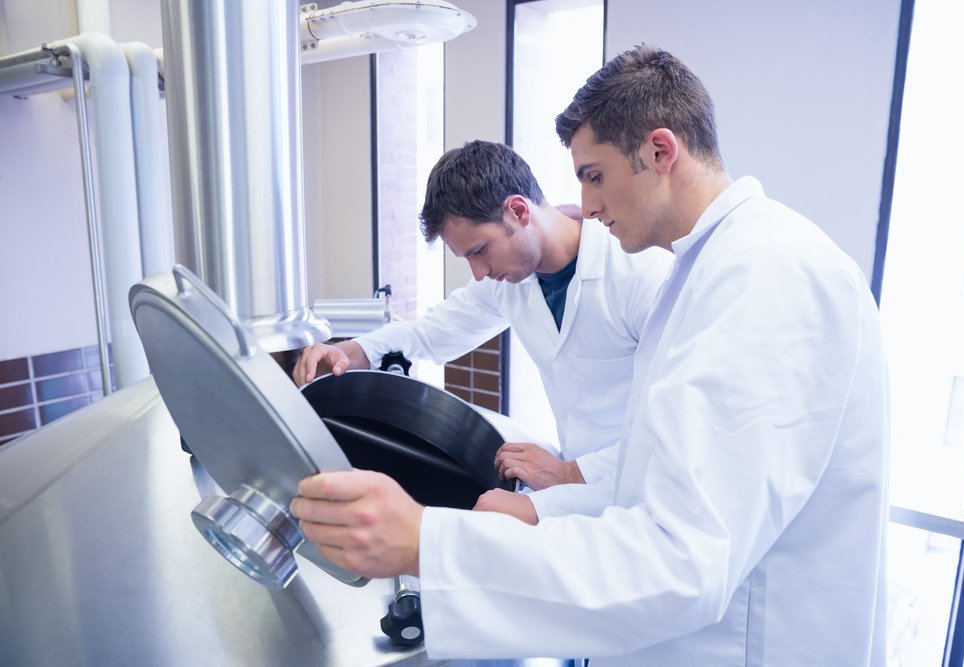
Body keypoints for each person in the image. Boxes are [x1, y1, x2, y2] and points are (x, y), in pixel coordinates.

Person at [291, 45, 889, 666]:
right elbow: (650, 472)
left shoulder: (765, 279)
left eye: (594, 175)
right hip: (641, 608)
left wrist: (430, 541)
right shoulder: (707, 272)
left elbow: (680, 559)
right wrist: (536, 512)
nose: (588, 204)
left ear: (661, 152)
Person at [293, 140, 671, 504]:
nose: (478, 273)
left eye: (479, 251)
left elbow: (673, 425)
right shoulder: (511, 283)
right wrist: (348, 351)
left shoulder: (642, 273)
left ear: (518, 212)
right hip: (577, 488)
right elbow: (429, 334)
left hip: (646, 491)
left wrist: (572, 473)